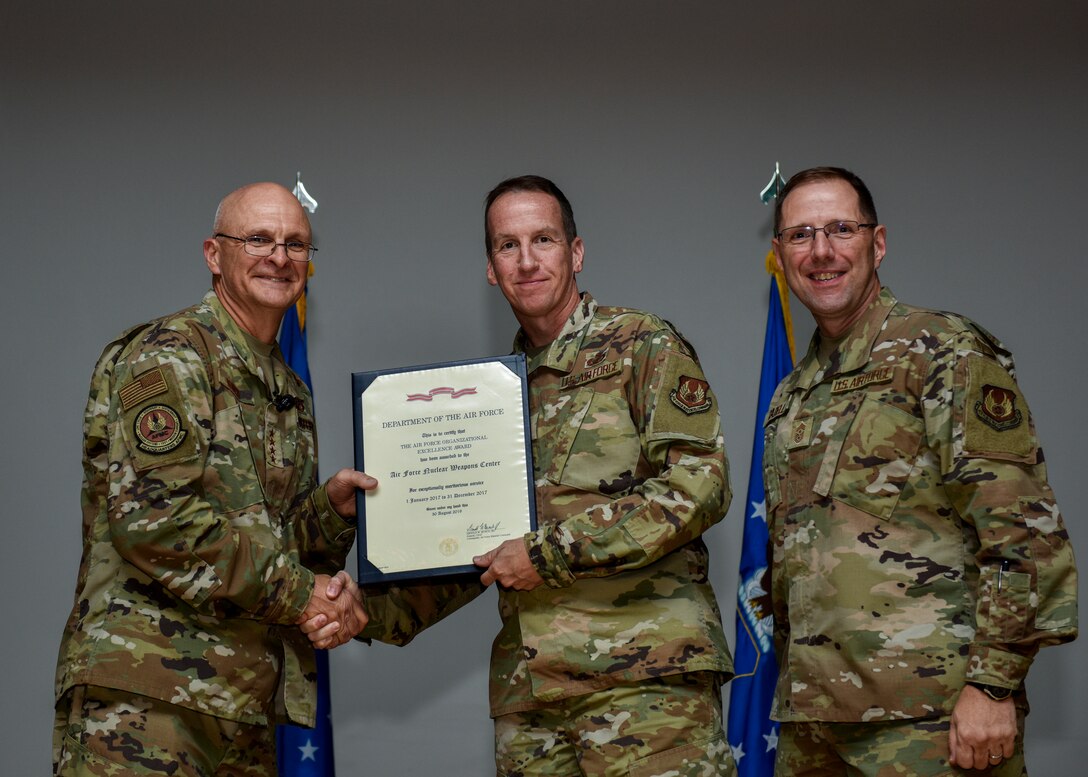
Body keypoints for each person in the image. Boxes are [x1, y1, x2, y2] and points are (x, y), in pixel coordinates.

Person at [356, 175, 736, 776]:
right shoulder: (486, 396)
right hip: (531, 698)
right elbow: (475, 548)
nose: (527, 260)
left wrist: (550, 552)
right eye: (508, 245)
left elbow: (700, 486)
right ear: (490, 268)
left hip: (646, 688)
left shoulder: (640, 345)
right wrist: (363, 609)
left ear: (576, 252)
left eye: (544, 239)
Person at [763, 166, 1078, 775]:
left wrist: (992, 687)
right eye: (800, 235)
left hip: (930, 720)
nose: (821, 251)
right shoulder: (793, 395)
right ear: (779, 255)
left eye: (840, 229)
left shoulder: (944, 352)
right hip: (813, 725)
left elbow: (1022, 531)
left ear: (877, 243)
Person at [53, 182, 373, 776]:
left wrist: (330, 510)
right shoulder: (170, 356)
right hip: (146, 697)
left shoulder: (286, 386)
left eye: (296, 244)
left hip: (240, 705)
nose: (279, 257)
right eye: (258, 239)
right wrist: (305, 596)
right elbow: (156, 523)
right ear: (213, 254)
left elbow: (268, 540)